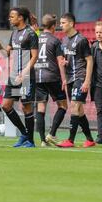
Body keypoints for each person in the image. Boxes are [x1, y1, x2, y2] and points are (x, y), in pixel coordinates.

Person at [0, 7, 38, 148]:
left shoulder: (31, 34)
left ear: (21, 18)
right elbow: (7, 54)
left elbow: (34, 56)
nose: (9, 18)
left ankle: (30, 141)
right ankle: (24, 133)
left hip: (25, 78)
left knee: (26, 107)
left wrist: (24, 73)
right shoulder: (14, 33)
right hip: (13, 76)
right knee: (6, 105)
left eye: (12, 16)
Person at [58, 13, 95, 148]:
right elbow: (66, 59)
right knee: (79, 111)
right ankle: (90, 139)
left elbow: (89, 60)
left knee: (74, 106)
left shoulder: (81, 40)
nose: (60, 25)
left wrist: (87, 81)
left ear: (71, 23)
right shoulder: (64, 40)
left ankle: (70, 140)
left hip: (80, 77)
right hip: (69, 79)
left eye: (63, 23)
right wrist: (65, 63)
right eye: (60, 23)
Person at [34, 14, 67, 147]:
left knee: (41, 108)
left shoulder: (35, 39)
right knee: (63, 105)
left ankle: (42, 141)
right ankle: (51, 134)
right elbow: (60, 61)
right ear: (53, 26)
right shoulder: (55, 40)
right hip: (52, 76)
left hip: (37, 76)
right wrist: (64, 79)